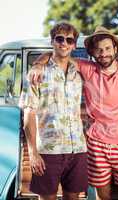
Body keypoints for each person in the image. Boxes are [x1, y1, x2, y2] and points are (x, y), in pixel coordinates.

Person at [29, 26, 118, 200]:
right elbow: (60, 56)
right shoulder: (87, 68)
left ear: (116, 48)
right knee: (102, 196)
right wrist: (38, 63)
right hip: (96, 144)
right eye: (99, 50)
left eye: (108, 48)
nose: (104, 53)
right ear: (93, 52)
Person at [19, 22, 88, 200]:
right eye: (59, 39)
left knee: (73, 196)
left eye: (69, 40)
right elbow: (29, 114)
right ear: (52, 41)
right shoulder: (36, 74)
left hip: (77, 149)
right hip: (49, 150)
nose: (64, 43)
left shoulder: (78, 71)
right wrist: (33, 153)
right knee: (47, 197)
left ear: (74, 45)